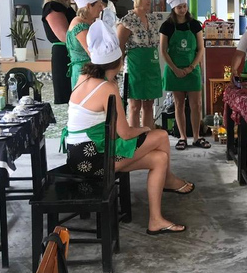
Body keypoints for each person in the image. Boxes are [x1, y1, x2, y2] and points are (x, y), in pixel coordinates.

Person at [61, 20, 194, 235]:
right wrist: (144, 130)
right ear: (119, 61)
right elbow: (125, 133)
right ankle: (169, 180)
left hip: (78, 155)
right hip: (94, 158)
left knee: (159, 158)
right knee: (159, 136)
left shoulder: (83, 78)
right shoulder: (108, 87)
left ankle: (156, 220)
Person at [160, 0, 209, 150]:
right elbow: (163, 50)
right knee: (179, 104)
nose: (182, 9)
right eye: (179, 7)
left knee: (197, 105)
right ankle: (182, 137)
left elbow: (201, 49)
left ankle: (196, 136)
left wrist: (191, 67)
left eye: (184, 6)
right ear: (173, 8)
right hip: (174, 71)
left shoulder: (195, 24)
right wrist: (175, 69)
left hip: (192, 69)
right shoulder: (166, 26)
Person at [117, 0, 162, 129]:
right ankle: (134, 140)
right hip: (135, 67)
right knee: (135, 105)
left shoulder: (153, 19)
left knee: (149, 105)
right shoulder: (127, 21)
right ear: (137, 0)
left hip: (152, 65)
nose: (149, 1)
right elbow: (120, 46)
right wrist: (120, 66)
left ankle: (147, 136)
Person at [42, 0, 76, 104]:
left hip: (70, 52)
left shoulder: (64, 6)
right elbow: (64, 36)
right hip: (63, 54)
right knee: (68, 96)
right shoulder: (53, 7)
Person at [67, 0, 104, 89]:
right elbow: (93, 53)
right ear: (88, 6)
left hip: (88, 71)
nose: (102, 9)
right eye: (99, 5)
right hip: (84, 73)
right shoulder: (80, 26)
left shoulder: (87, 22)